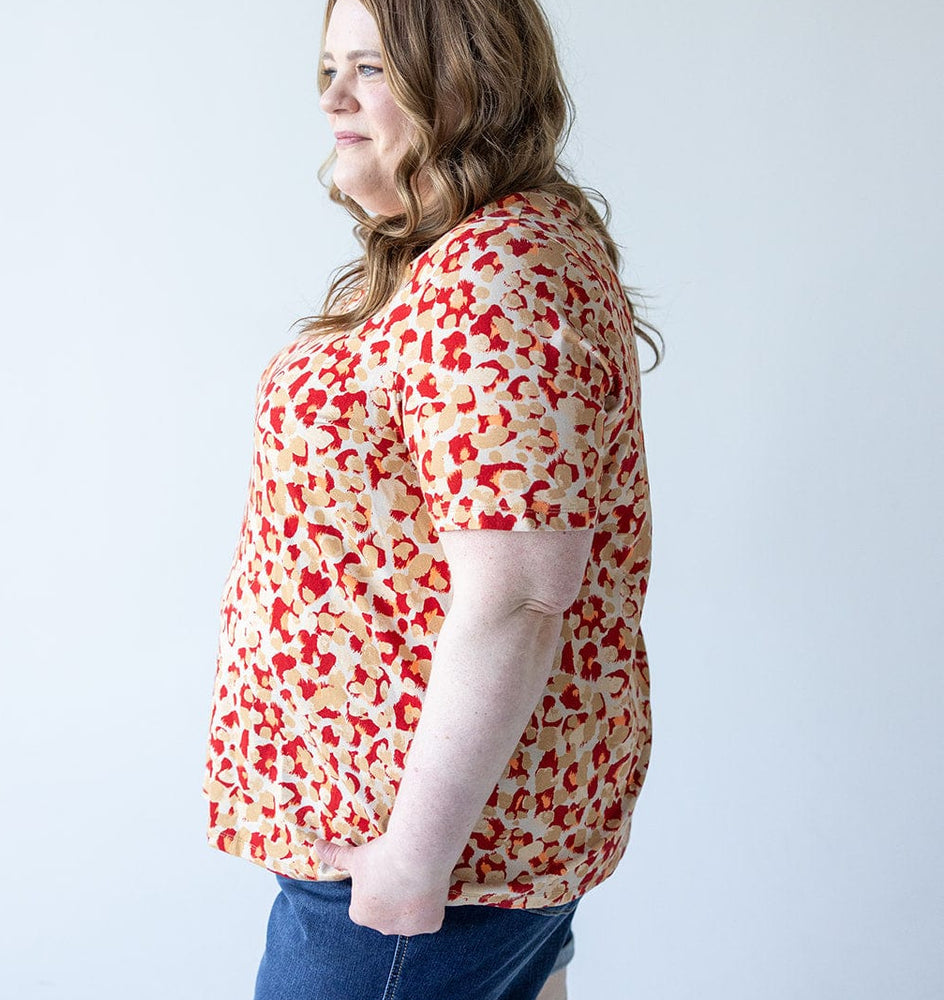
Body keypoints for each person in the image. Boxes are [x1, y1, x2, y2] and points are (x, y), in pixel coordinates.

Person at [202, 0, 660, 997]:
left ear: (465, 75)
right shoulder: (477, 254)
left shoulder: (491, 275)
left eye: (368, 69)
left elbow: (521, 591)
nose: (331, 98)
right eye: (327, 67)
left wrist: (411, 862)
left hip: (424, 862)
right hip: (434, 846)